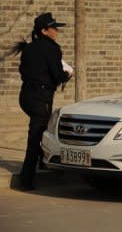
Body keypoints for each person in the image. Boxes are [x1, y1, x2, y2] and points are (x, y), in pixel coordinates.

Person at [11, 12, 72, 191]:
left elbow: (23, 71)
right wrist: (67, 75)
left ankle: (44, 162)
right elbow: (57, 74)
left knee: (41, 130)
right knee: (35, 137)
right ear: (44, 31)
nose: (56, 32)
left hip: (26, 97)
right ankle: (26, 179)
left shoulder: (28, 48)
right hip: (41, 98)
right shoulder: (52, 49)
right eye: (53, 28)